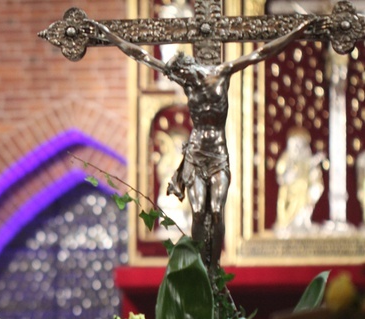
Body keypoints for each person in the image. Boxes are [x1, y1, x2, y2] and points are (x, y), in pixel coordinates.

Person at [93, 18, 318, 272]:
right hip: (196, 155)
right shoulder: (187, 82)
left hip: (218, 154)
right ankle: (200, 267)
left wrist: (295, 32)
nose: (178, 78)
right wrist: (109, 35)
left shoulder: (222, 73)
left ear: (189, 67)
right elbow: (141, 55)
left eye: (180, 73)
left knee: (217, 211)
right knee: (199, 211)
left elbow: (262, 52)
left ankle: (215, 266)